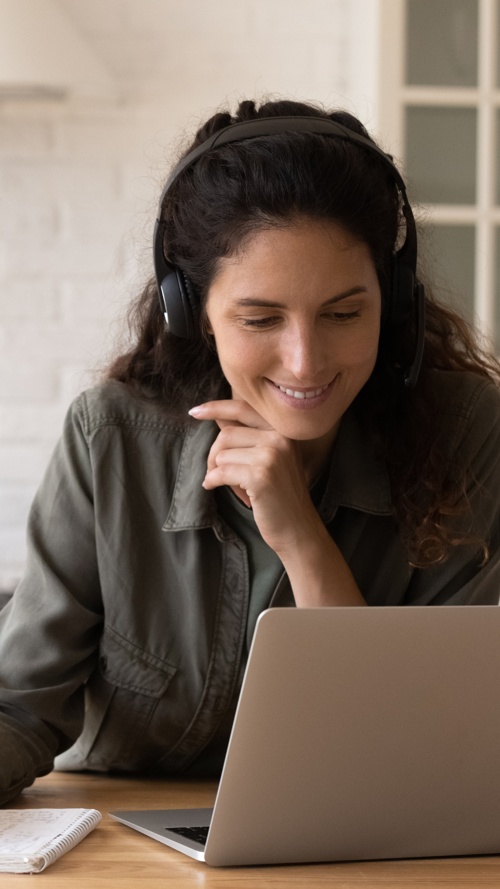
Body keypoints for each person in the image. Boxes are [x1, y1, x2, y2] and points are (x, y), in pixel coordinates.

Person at [1, 99, 500, 804]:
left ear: (394, 301)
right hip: (122, 845)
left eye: (345, 313)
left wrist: (301, 535)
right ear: (190, 311)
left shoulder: (465, 433)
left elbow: (425, 749)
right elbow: (18, 708)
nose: (305, 362)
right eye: (261, 317)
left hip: (363, 840)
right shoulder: (110, 439)